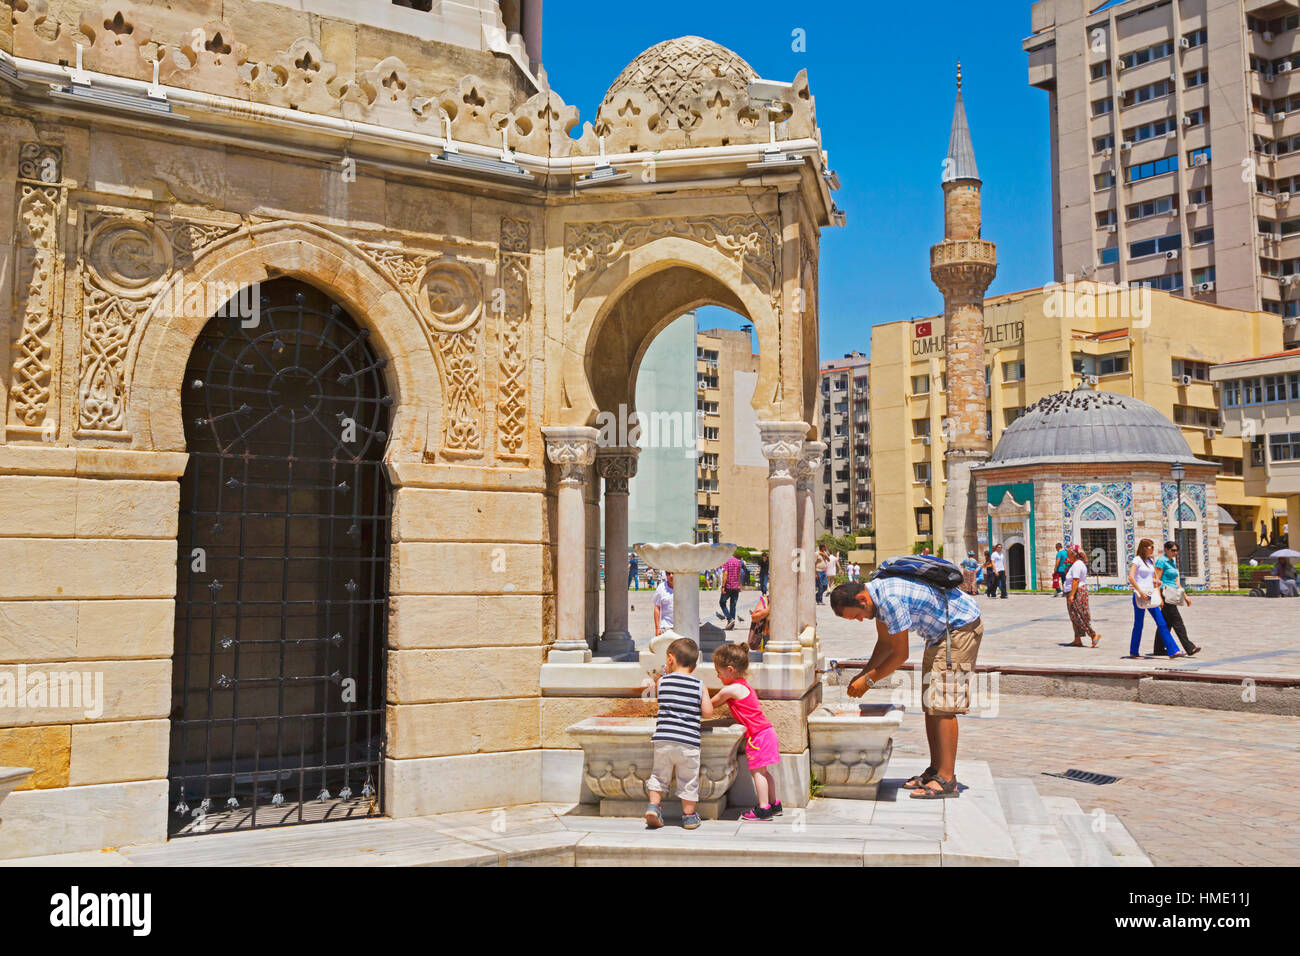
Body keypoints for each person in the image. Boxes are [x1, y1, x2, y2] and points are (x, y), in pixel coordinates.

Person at [830, 575, 983, 799]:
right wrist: (863, 676)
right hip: (939, 635)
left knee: (943, 705)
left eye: (857, 615)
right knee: (931, 704)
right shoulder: (876, 599)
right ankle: (936, 770)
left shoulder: (889, 600)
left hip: (960, 628)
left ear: (862, 598)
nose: (861, 620)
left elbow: (900, 654)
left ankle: (947, 779)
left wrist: (868, 681)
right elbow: (884, 645)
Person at [645, 637, 713, 829]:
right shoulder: (699, 685)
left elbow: (661, 700)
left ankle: (653, 807)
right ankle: (689, 817)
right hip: (688, 742)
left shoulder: (663, 682)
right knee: (688, 780)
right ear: (695, 663)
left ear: (670, 659)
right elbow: (708, 712)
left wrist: (665, 671)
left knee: (658, 776)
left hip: (664, 739)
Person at [711, 642, 781, 821]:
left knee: (757, 773)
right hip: (767, 732)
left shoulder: (731, 689)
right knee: (764, 772)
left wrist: (699, 697)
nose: (718, 676)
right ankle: (774, 804)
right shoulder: (745, 686)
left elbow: (711, 704)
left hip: (757, 736)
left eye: (718, 672)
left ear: (730, 669)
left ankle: (763, 809)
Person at [1127, 538, 1184, 659]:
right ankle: (1133, 651)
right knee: (1139, 624)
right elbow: (1131, 577)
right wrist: (1140, 591)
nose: (1153, 549)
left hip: (1151, 595)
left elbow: (1150, 577)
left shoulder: (1150, 561)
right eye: (1151, 547)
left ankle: (1173, 650)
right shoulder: (1137, 560)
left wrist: (1156, 582)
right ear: (1144, 548)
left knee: (1162, 622)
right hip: (1140, 595)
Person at [1154, 541, 1201, 655]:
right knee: (1177, 622)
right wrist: (1159, 597)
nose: (1175, 553)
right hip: (1165, 593)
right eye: (1173, 550)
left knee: (1166, 623)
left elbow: (1176, 581)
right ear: (1166, 549)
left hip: (1173, 593)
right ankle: (1189, 647)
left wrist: (1185, 596)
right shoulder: (1161, 561)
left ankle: (1159, 649)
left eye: (1176, 551)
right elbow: (1156, 580)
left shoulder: (1172, 562)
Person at [1064, 543, 1101, 648]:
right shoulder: (1077, 564)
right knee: (1074, 616)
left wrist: (1071, 595)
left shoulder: (1077, 565)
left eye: (1069, 552)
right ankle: (1077, 639)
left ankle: (1093, 634)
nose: (1067, 553)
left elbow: (1076, 580)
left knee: (1078, 615)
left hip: (1076, 592)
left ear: (1073, 553)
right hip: (1077, 591)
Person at [718, 553, 744, 629]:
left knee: (722, 602)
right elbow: (739, 575)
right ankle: (732, 626)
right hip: (736, 587)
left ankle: (730, 619)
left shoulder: (726, 561)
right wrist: (739, 585)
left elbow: (725, 574)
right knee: (733, 605)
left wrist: (723, 586)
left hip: (728, 586)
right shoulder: (738, 562)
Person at [653, 572, 674, 636]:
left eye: (673, 573)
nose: (671, 576)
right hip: (666, 627)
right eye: (668, 573)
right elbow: (657, 607)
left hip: (682, 627)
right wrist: (657, 629)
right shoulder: (661, 588)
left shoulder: (683, 587)